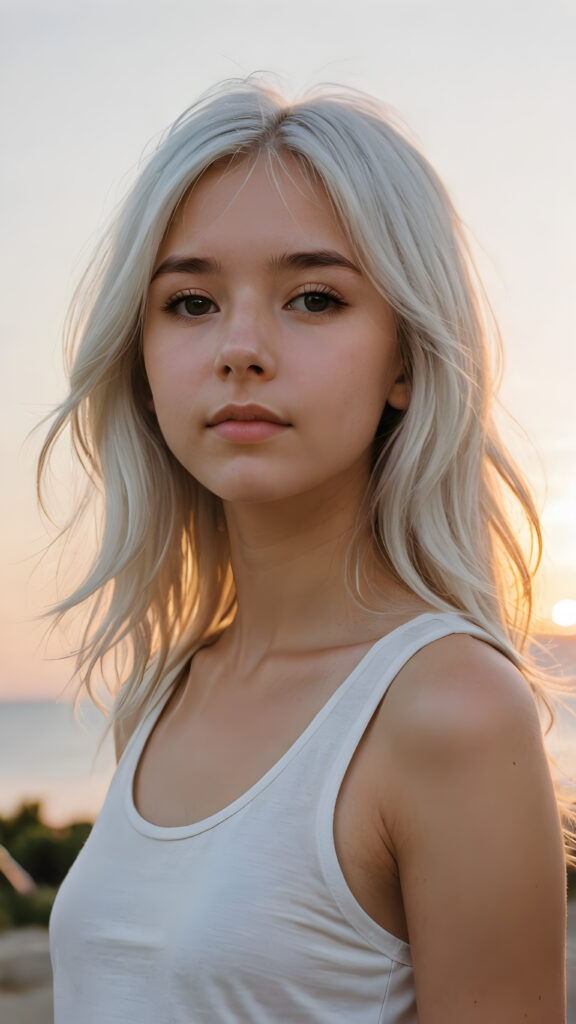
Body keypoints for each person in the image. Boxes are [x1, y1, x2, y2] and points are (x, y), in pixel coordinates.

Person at [40, 77, 570, 1022]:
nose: (240, 348)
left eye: (315, 298)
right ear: (145, 358)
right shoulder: (167, 692)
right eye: (191, 303)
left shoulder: (453, 711)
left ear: (404, 357)